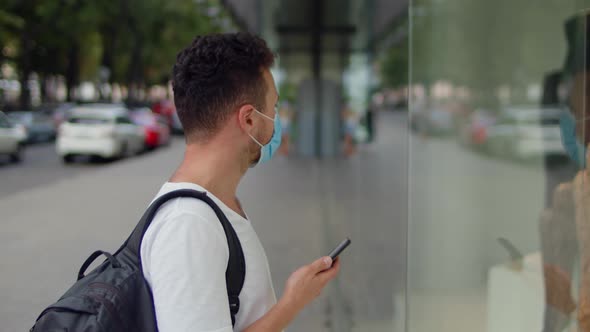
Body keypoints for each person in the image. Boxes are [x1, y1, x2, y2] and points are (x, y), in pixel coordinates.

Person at [141, 33, 341, 332]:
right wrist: (292, 303)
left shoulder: (216, 205)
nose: (276, 121)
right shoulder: (189, 225)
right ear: (249, 119)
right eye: (273, 109)